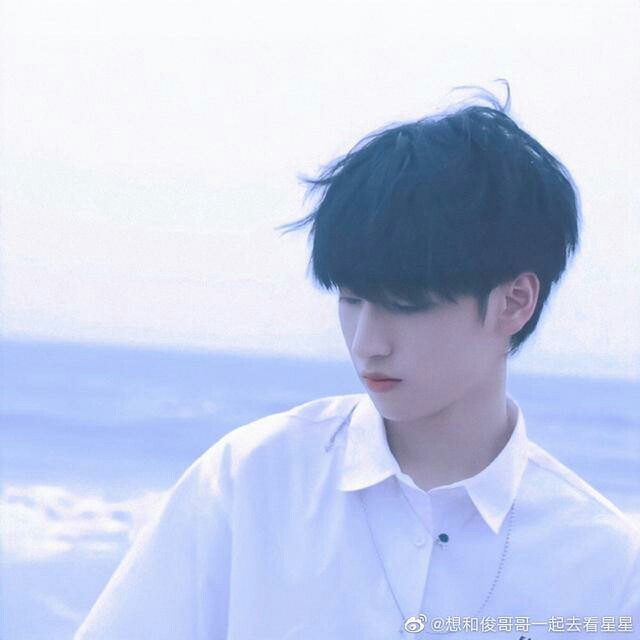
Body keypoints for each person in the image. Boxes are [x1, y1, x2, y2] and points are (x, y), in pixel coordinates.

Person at [73, 81, 639, 639]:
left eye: (406, 305)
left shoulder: (604, 568)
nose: (367, 342)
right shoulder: (252, 482)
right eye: (350, 299)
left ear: (514, 301)